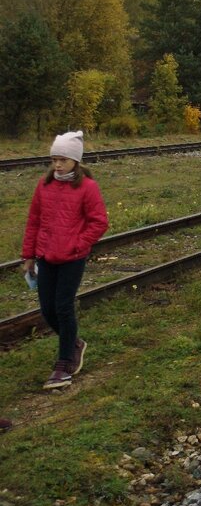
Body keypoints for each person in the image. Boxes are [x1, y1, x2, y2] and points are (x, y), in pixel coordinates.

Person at [21, 131, 109, 390]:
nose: (57, 165)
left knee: (63, 307)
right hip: (46, 256)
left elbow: (99, 222)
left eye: (62, 160)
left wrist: (77, 245)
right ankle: (74, 344)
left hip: (72, 258)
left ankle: (63, 365)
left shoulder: (87, 187)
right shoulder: (44, 185)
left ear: (75, 161)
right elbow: (34, 220)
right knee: (47, 309)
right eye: (54, 159)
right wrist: (28, 255)